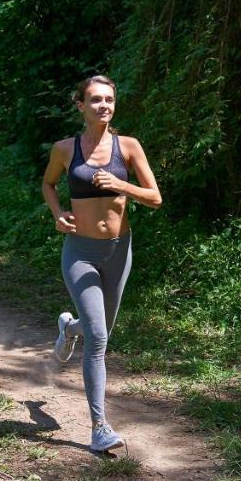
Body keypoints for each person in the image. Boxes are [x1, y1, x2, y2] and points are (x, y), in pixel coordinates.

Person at [40, 75, 163, 453]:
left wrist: (120, 184)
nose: (103, 105)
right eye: (95, 99)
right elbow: (48, 185)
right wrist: (58, 213)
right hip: (79, 251)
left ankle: (69, 327)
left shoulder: (128, 147)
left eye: (109, 99)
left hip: (117, 251)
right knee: (100, 340)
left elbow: (155, 197)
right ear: (81, 105)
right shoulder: (64, 149)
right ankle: (99, 427)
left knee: (99, 327)